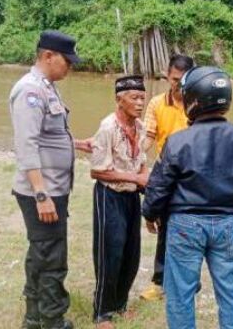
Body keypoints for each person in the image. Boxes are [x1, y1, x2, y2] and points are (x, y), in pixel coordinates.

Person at [142, 66, 233, 329]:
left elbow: (159, 184)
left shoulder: (178, 141)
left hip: (185, 225)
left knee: (180, 295)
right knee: (230, 293)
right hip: (227, 224)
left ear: (193, 100)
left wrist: (150, 214)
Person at [10, 30, 91, 329]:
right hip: (42, 191)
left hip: (52, 188)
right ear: (48, 56)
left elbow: (49, 136)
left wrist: (78, 143)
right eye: (67, 61)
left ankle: (34, 318)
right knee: (52, 256)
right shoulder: (31, 91)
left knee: (41, 251)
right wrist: (41, 194)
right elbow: (27, 145)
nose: (70, 67)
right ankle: (53, 320)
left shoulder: (48, 88)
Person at [89, 75, 149, 329]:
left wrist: (144, 179)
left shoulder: (141, 127)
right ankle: (102, 312)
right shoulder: (108, 127)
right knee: (109, 253)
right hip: (109, 196)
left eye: (142, 99)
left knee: (130, 254)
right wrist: (135, 177)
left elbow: (142, 160)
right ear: (119, 99)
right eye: (134, 98)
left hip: (132, 196)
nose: (139, 104)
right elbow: (97, 171)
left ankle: (120, 305)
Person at [139, 55, 195, 302]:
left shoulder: (200, 104)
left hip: (194, 175)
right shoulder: (156, 104)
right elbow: (149, 136)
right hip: (167, 175)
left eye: (184, 80)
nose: (179, 85)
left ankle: (189, 281)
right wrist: (136, 151)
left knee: (193, 228)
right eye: (174, 79)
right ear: (166, 76)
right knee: (164, 228)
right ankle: (159, 282)